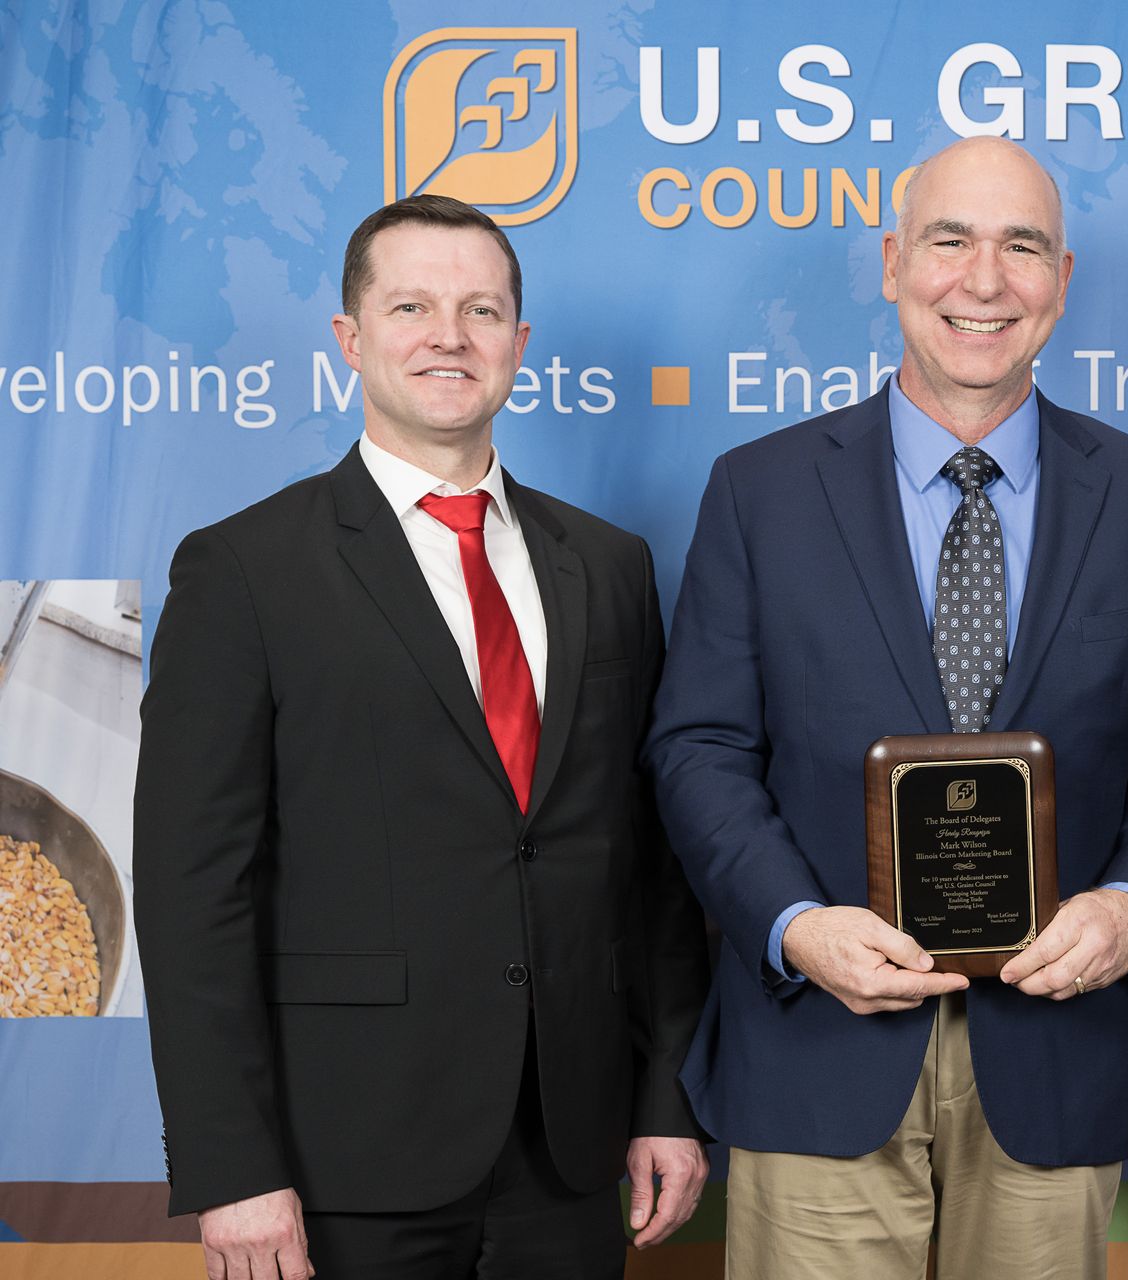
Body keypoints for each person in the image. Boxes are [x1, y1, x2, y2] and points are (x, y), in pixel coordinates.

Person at [645, 136, 1128, 1280]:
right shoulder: (759, 491)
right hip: (819, 1043)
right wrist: (795, 924)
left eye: (1023, 246)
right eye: (951, 240)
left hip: (1058, 1050)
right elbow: (700, 747)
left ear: (1064, 277)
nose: (985, 279)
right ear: (892, 261)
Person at [134, 194, 711, 1279]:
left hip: (573, 1150)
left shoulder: (610, 565)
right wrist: (230, 1164)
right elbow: (191, 889)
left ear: (518, 343)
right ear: (350, 338)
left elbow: (653, 868)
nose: (450, 336)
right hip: (344, 1153)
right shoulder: (244, 570)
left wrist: (666, 1098)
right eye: (411, 307)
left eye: (480, 310)